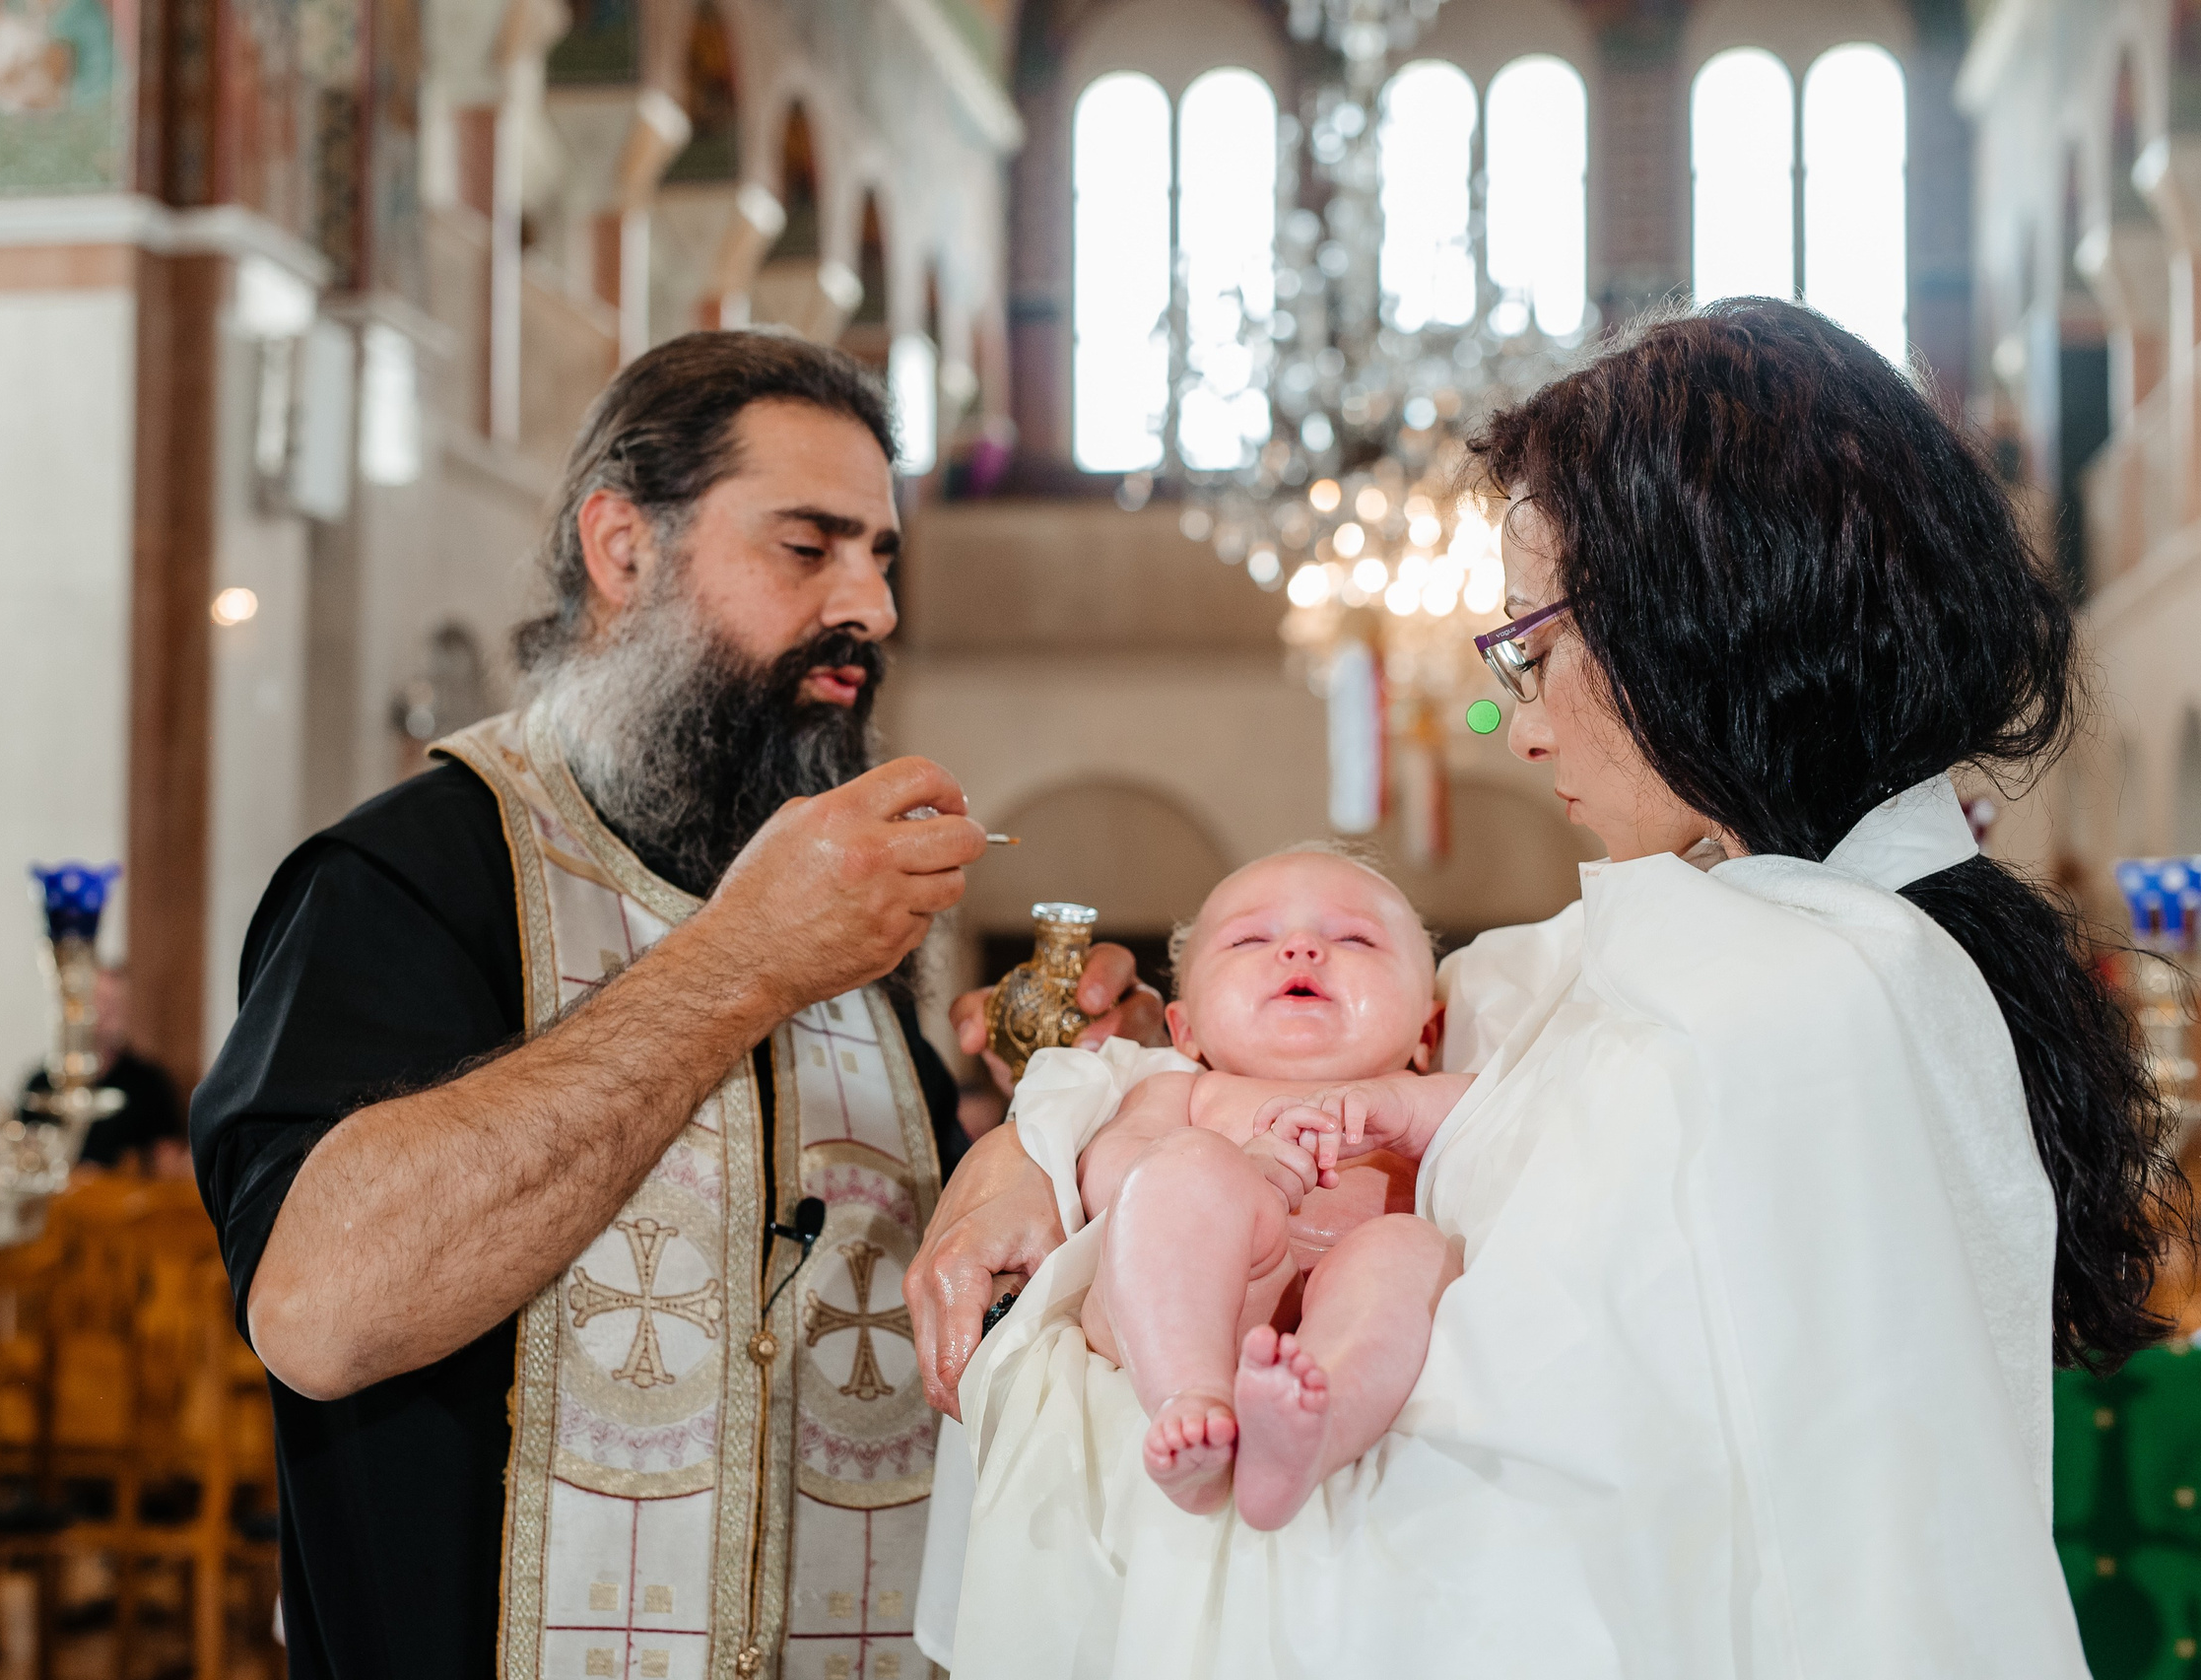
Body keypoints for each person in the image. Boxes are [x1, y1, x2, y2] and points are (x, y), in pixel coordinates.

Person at [910, 301, 2184, 1678]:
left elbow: (1586, 1529)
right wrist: (1026, 1157)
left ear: (1698, 622)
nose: (1517, 725)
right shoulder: (1687, 938)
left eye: (1536, 646)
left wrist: (1120, 1390)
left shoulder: (1807, 998)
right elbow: (1272, 1057)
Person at [187, 330, 1160, 1678]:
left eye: (881, 556)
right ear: (622, 548)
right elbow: (321, 1312)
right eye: (807, 548)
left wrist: (1072, 1115)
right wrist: (740, 964)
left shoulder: (850, 922)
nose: (870, 606)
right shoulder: (409, 874)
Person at [1060, 847, 1460, 1528]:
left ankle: (1315, 1427)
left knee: (1411, 1246)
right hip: (1207, 1306)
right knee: (1181, 1165)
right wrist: (1231, 1162)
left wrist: (1404, 1108)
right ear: (1184, 1031)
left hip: (1353, 1317)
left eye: (1354, 937)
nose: (1301, 948)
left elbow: (1515, 1134)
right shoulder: (1187, 1091)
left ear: (1429, 1029)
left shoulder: (1427, 1100)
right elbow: (1107, 1174)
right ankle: (1191, 1397)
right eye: (1252, 938)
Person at [21, 965, 186, 1175]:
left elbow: (168, 1162)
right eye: (101, 1002)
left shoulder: (149, 1082)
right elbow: (25, 1159)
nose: (109, 1013)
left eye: (116, 1004)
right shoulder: (41, 1084)